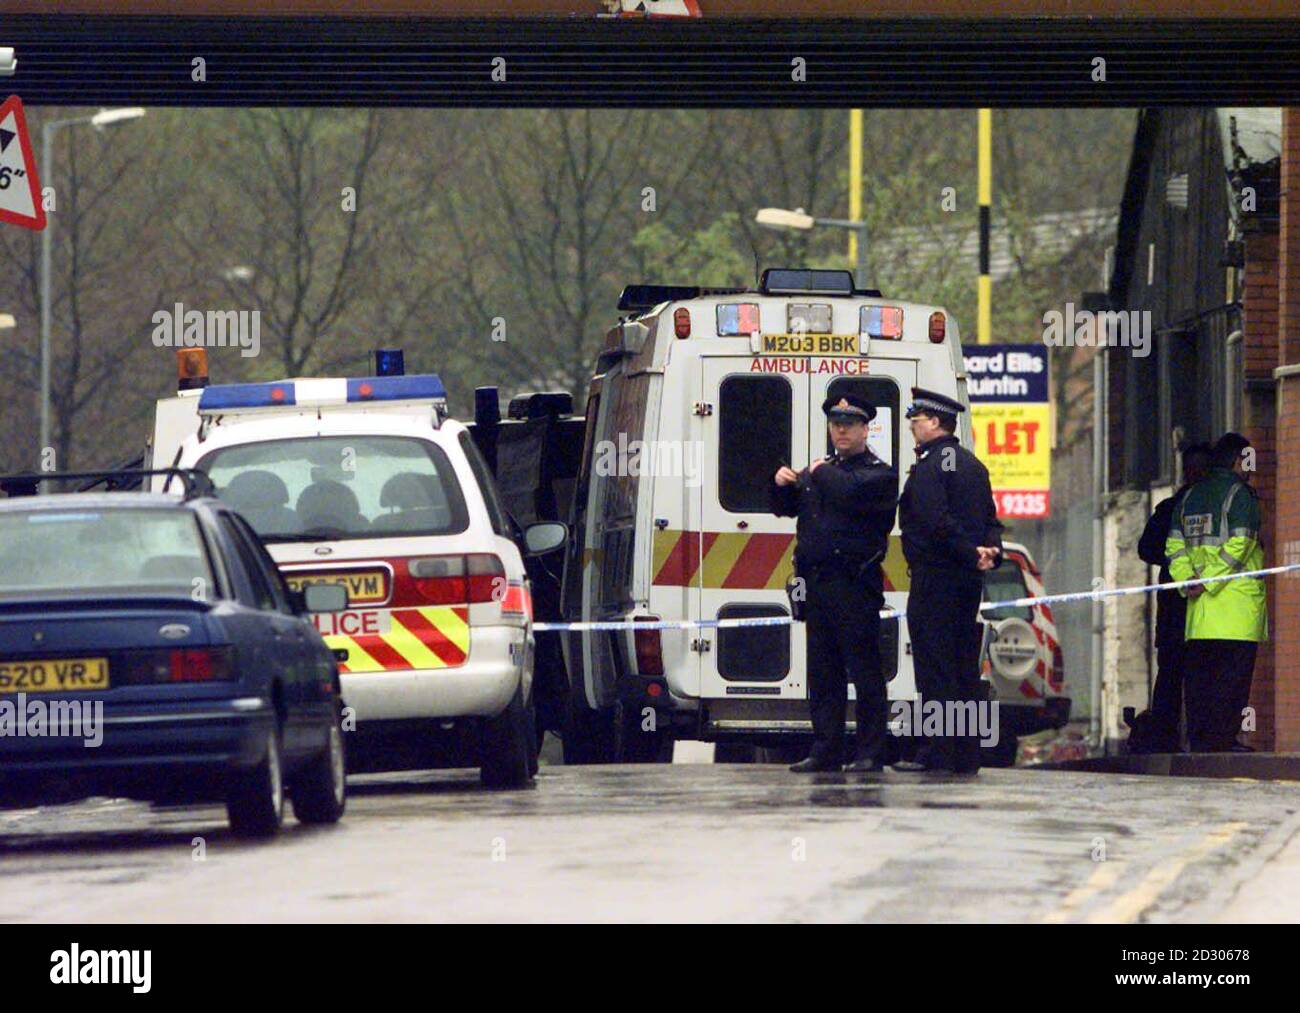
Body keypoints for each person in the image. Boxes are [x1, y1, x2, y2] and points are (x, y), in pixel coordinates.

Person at [771, 394, 898, 773]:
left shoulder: (879, 473)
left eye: (849, 424)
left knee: (865, 671)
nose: (841, 430)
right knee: (823, 672)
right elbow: (785, 507)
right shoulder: (821, 470)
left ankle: (871, 751)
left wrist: (817, 472)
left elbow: (850, 493)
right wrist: (781, 484)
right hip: (817, 584)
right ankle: (826, 748)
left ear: (865, 429)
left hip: (855, 585)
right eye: (835, 424)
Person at [894, 388, 1003, 774]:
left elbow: (935, 522)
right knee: (962, 667)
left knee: (935, 668)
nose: (912, 426)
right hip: (968, 583)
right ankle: (966, 755)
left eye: (917, 420)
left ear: (936, 423)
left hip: (935, 579)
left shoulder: (930, 468)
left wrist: (969, 551)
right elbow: (991, 520)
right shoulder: (973, 465)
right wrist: (990, 551)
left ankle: (937, 753)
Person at [1166, 432, 1266, 753]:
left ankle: (1200, 746)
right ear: (1238, 460)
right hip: (1236, 615)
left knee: (1198, 686)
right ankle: (1223, 745)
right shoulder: (1241, 496)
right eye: (1249, 460)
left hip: (1198, 616)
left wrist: (1188, 581)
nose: (1252, 468)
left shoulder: (1189, 497)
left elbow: (1174, 547)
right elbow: (1241, 545)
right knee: (1231, 686)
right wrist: (1209, 580)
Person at [1131, 442, 1212, 753]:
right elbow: (1146, 548)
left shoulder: (1177, 507)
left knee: (1191, 675)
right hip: (1180, 608)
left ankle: (1192, 740)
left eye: (1200, 470)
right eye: (1191, 469)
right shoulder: (1170, 509)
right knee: (1173, 674)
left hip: (1203, 609)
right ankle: (1167, 738)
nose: (1195, 475)